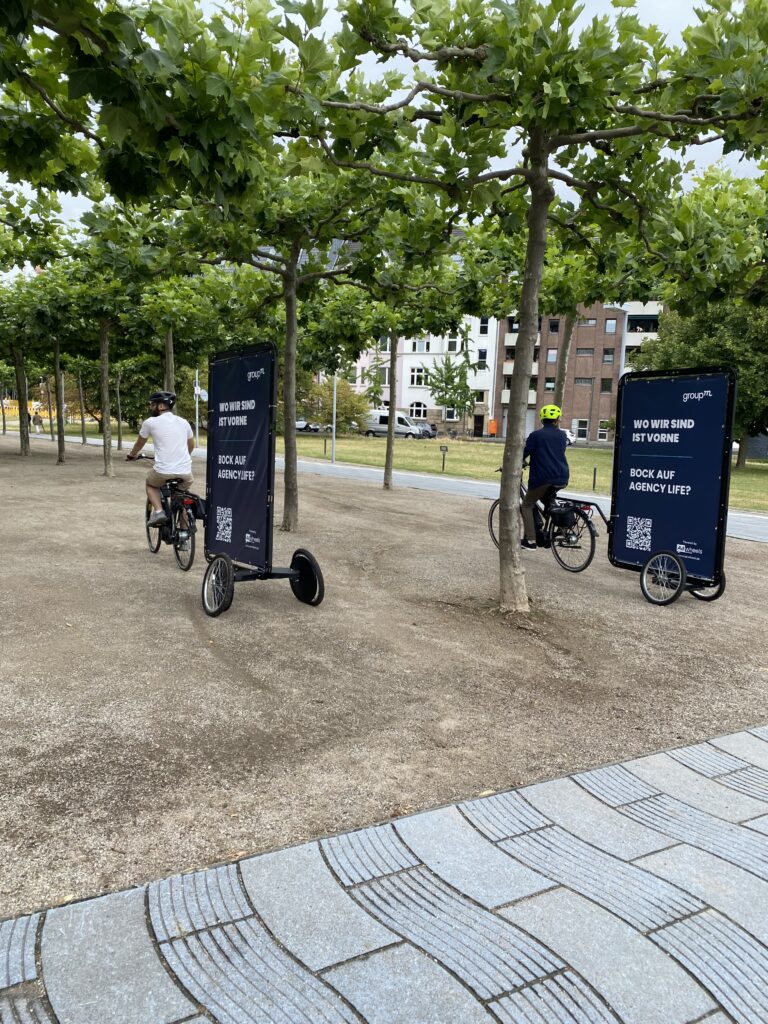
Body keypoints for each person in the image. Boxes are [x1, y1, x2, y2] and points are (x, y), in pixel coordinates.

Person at [126, 391, 194, 526]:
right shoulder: (184, 422)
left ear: (161, 406)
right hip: (186, 472)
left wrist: (132, 454)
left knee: (151, 484)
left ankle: (158, 512)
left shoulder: (150, 422)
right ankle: (184, 537)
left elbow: (140, 443)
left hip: (163, 471)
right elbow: (191, 445)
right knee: (181, 498)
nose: (151, 408)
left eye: (153, 405)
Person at [520, 404, 570, 550]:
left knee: (527, 505)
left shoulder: (535, 436)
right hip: (562, 477)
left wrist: (518, 463)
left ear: (542, 419)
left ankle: (530, 541)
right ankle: (557, 528)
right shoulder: (562, 435)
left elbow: (523, 454)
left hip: (542, 478)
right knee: (547, 500)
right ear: (557, 420)